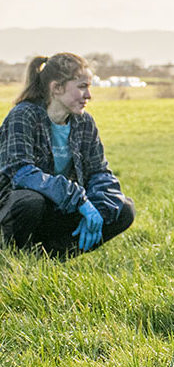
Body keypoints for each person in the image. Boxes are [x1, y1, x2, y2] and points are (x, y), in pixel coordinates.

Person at [0, 53, 135, 257]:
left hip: (60, 209)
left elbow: (100, 173)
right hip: (18, 209)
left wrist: (98, 209)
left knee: (123, 209)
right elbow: (21, 173)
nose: (88, 95)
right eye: (82, 86)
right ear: (56, 88)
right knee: (30, 201)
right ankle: (14, 254)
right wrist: (79, 200)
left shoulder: (84, 123)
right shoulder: (23, 115)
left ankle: (49, 258)